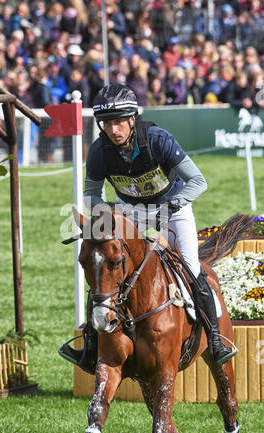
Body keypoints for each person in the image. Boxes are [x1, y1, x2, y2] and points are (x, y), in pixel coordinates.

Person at [59, 83, 236, 372]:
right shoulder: (99, 151)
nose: (113, 130)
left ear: (132, 120)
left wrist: (172, 205)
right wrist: (108, 213)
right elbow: (91, 194)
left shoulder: (158, 140)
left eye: (118, 122)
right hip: (130, 214)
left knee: (190, 268)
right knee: (107, 270)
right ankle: (90, 348)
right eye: (106, 124)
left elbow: (198, 181)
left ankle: (215, 341)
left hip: (173, 210)